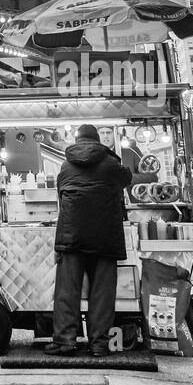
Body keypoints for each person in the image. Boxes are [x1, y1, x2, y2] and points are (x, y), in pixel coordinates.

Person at [44, 123, 132, 357]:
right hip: (105, 235)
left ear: (77, 140)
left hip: (72, 234)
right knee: (102, 293)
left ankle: (65, 341)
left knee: (67, 290)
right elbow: (127, 178)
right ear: (97, 140)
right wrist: (111, 155)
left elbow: (60, 189)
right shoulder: (111, 164)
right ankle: (99, 344)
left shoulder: (65, 164)